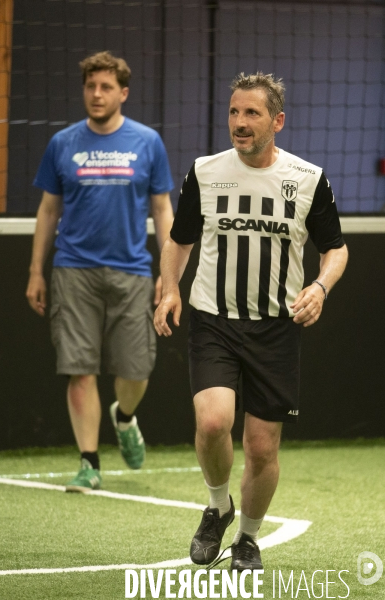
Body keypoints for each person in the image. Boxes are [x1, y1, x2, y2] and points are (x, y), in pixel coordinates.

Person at [154, 72, 348, 571]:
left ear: (277, 121)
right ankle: (218, 506)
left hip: (276, 329)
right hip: (214, 319)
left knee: (262, 447)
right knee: (214, 420)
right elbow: (180, 240)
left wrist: (320, 287)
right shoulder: (205, 171)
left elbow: (336, 249)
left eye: (252, 114)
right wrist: (170, 288)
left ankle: (247, 539)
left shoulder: (308, 179)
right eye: (234, 112)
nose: (239, 123)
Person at [26, 51, 174, 492]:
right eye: (91, 86)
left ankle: (124, 417)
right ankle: (89, 462)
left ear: (123, 93)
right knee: (80, 369)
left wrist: (168, 273)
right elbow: (48, 210)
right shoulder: (63, 143)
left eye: (106, 86)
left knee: (136, 370)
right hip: (73, 270)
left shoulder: (147, 142)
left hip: (133, 271)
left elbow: (163, 208)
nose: (96, 94)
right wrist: (37, 271)